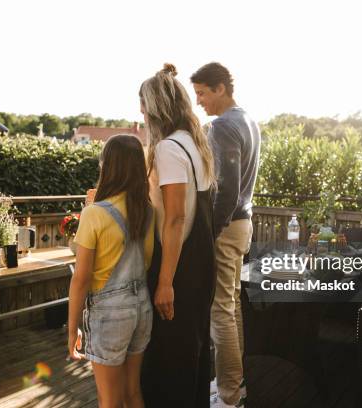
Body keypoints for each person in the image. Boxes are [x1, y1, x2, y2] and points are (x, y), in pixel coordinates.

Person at [139, 63, 217, 408]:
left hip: (179, 266)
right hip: (201, 263)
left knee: (169, 361)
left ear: (156, 109)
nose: (141, 114)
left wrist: (165, 281)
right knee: (193, 354)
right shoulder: (194, 143)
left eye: (143, 107)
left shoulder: (169, 149)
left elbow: (174, 219)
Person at [191, 62, 261, 408]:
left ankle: (229, 397)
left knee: (220, 311)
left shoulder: (222, 126)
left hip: (227, 225)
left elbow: (228, 190)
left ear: (221, 88)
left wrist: (209, 232)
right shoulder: (249, 120)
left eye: (202, 93)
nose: (199, 101)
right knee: (231, 306)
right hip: (243, 224)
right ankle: (236, 385)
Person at [68, 134, 155, 408]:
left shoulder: (94, 214)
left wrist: (72, 330)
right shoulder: (148, 211)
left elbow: (81, 278)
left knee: (109, 400)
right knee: (133, 393)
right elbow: (148, 262)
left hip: (110, 313)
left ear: (108, 167)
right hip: (142, 307)